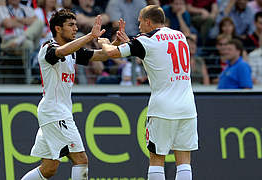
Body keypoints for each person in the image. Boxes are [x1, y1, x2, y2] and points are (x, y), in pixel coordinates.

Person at [21, 9, 122, 180]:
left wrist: (115, 43)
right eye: (71, 25)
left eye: (76, 24)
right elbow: (60, 52)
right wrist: (90, 36)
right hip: (55, 113)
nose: (75, 28)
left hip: (56, 113)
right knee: (81, 160)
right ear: (58, 29)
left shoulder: (73, 51)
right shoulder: (48, 48)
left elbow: (101, 55)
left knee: (49, 168)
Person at [102, 5, 198, 180]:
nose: (138, 27)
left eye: (139, 22)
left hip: (163, 108)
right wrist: (130, 43)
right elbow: (157, 53)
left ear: (148, 21)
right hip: (188, 107)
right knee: (184, 161)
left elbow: (110, 53)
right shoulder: (180, 36)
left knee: (156, 159)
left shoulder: (146, 40)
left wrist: (104, 42)